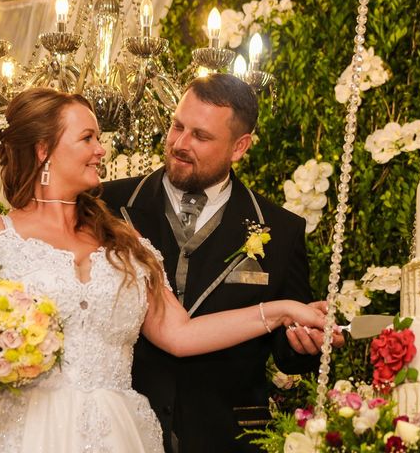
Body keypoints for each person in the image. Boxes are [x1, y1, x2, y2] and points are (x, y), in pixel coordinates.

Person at [0, 87, 327, 453]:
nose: (101, 150)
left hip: (116, 433)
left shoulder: (126, 241)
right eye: (87, 138)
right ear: (43, 150)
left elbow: (180, 333)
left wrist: (282, 310)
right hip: (22, 431)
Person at [102, 73, 344, 453]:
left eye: (200, 136)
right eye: (177, 126)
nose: (180, 144)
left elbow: (286, 351)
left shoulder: (280, 230)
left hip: (227, 436)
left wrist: (302, 343)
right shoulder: (107, 205)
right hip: (119, 430)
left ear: (239, 147)